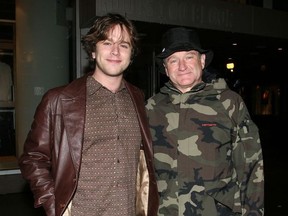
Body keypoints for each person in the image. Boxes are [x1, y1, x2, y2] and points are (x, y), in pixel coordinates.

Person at [18, 13, 159, 216]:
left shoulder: (138, 98)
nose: (116, 51)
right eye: (107, 43)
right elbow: (33, 158)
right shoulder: (59, 100)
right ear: (93, 51)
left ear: (131, 54)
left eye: (124, 45)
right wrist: (53, 203)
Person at [145, 27, 264, 216]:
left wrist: (253, 212)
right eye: (173, 60)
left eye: (189, 57)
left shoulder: (229, 102)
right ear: (166, 69)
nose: (182, 66)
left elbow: (251, 165)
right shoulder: (151, 107)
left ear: (202, 61)